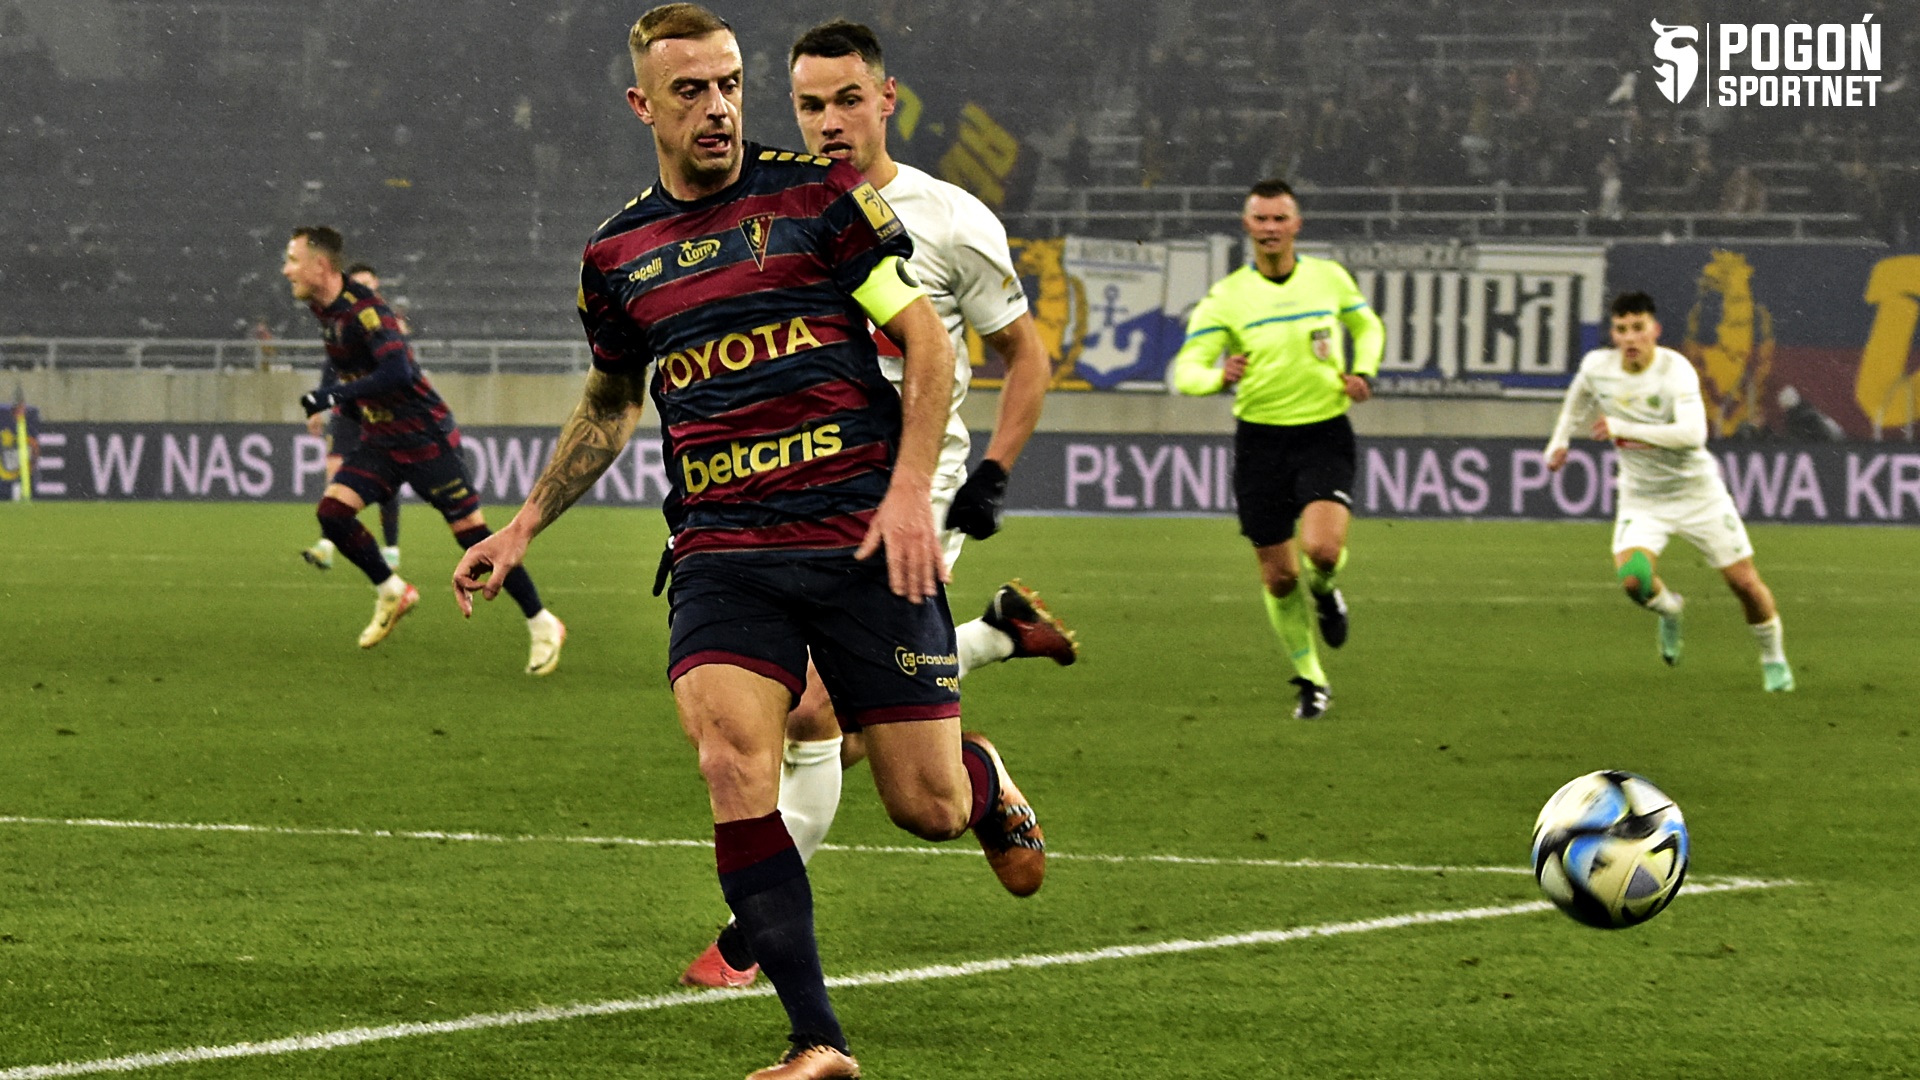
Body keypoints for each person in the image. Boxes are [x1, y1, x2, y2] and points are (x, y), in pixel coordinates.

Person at [450, 8, 1044, 1078]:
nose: (718, 107)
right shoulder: (617, 254)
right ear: (643, 105)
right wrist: (525, 522)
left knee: (928, 808)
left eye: (728, 84)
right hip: (722, 550)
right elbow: (611, 401)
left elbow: (925, 341)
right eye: (691, 90)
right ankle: (818, 1039)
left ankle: (977, 773)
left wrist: (911, 495)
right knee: (731, 760)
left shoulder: (817, 199)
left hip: (860, 536)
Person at [676, 17, 1074, 993]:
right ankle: (982, 703)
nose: (829, 122)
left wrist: (993, 474)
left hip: (911, 494)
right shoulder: (775, 215)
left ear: (887, 100)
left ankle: (756, 932)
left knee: (823, 714)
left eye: (848, 100)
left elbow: (1025, 356)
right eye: (810, 104)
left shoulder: (951, 220)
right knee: (839, 730)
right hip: (802, 492)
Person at [282, 226, 565, 675]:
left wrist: (333, 396)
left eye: (293, 260)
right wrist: (346, 409)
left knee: (473, 537)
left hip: (425, 439)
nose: (286, 269)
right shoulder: (326, 310)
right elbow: (357, 371)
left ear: (321, 265)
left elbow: (397, 371)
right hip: (381, 441)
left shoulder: (366, 311)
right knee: (332, 514)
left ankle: (542, 622)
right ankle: (392, 590)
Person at [1171, 178, 1384, 720]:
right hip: (1260, 444)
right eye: (1261, 219)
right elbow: (1186, 369)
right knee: (1279, 576)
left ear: (1296, 225)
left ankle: (1327, 590)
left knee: (1322, 551)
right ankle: (1312, 679)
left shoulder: (1328, 278)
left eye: (1279, 219)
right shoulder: (1227, 297)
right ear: (1247, 226)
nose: (1270, 228)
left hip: (1323, 431)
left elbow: (1366, 324)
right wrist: (1218, 376)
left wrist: (1364, 370)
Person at [1546, 291, 1795, 692]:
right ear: (1614, 334)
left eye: (1638, 328)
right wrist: (1559, 441)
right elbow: (1576, 400)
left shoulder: (1675, 370)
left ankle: (1774, 660)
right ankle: (1671, 610)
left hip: (1698, 494)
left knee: (1745, 584)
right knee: (1634, 581)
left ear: (1655, 330)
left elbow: (1693, 435)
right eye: (1622, 329)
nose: (1630, 337)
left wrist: (1622, 428)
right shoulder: (1597, 367)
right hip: (1643, 498)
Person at [301, 260, 403, 573]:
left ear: (376, 286)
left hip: (381, 411)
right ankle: (327, 545)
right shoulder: (341, 322)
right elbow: (331, 365)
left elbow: (400, 369)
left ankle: (391, 549)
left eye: (367, 284)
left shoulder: (386, 322)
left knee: (386, 481)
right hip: (347, 411)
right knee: (334, 475)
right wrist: (318, 406)